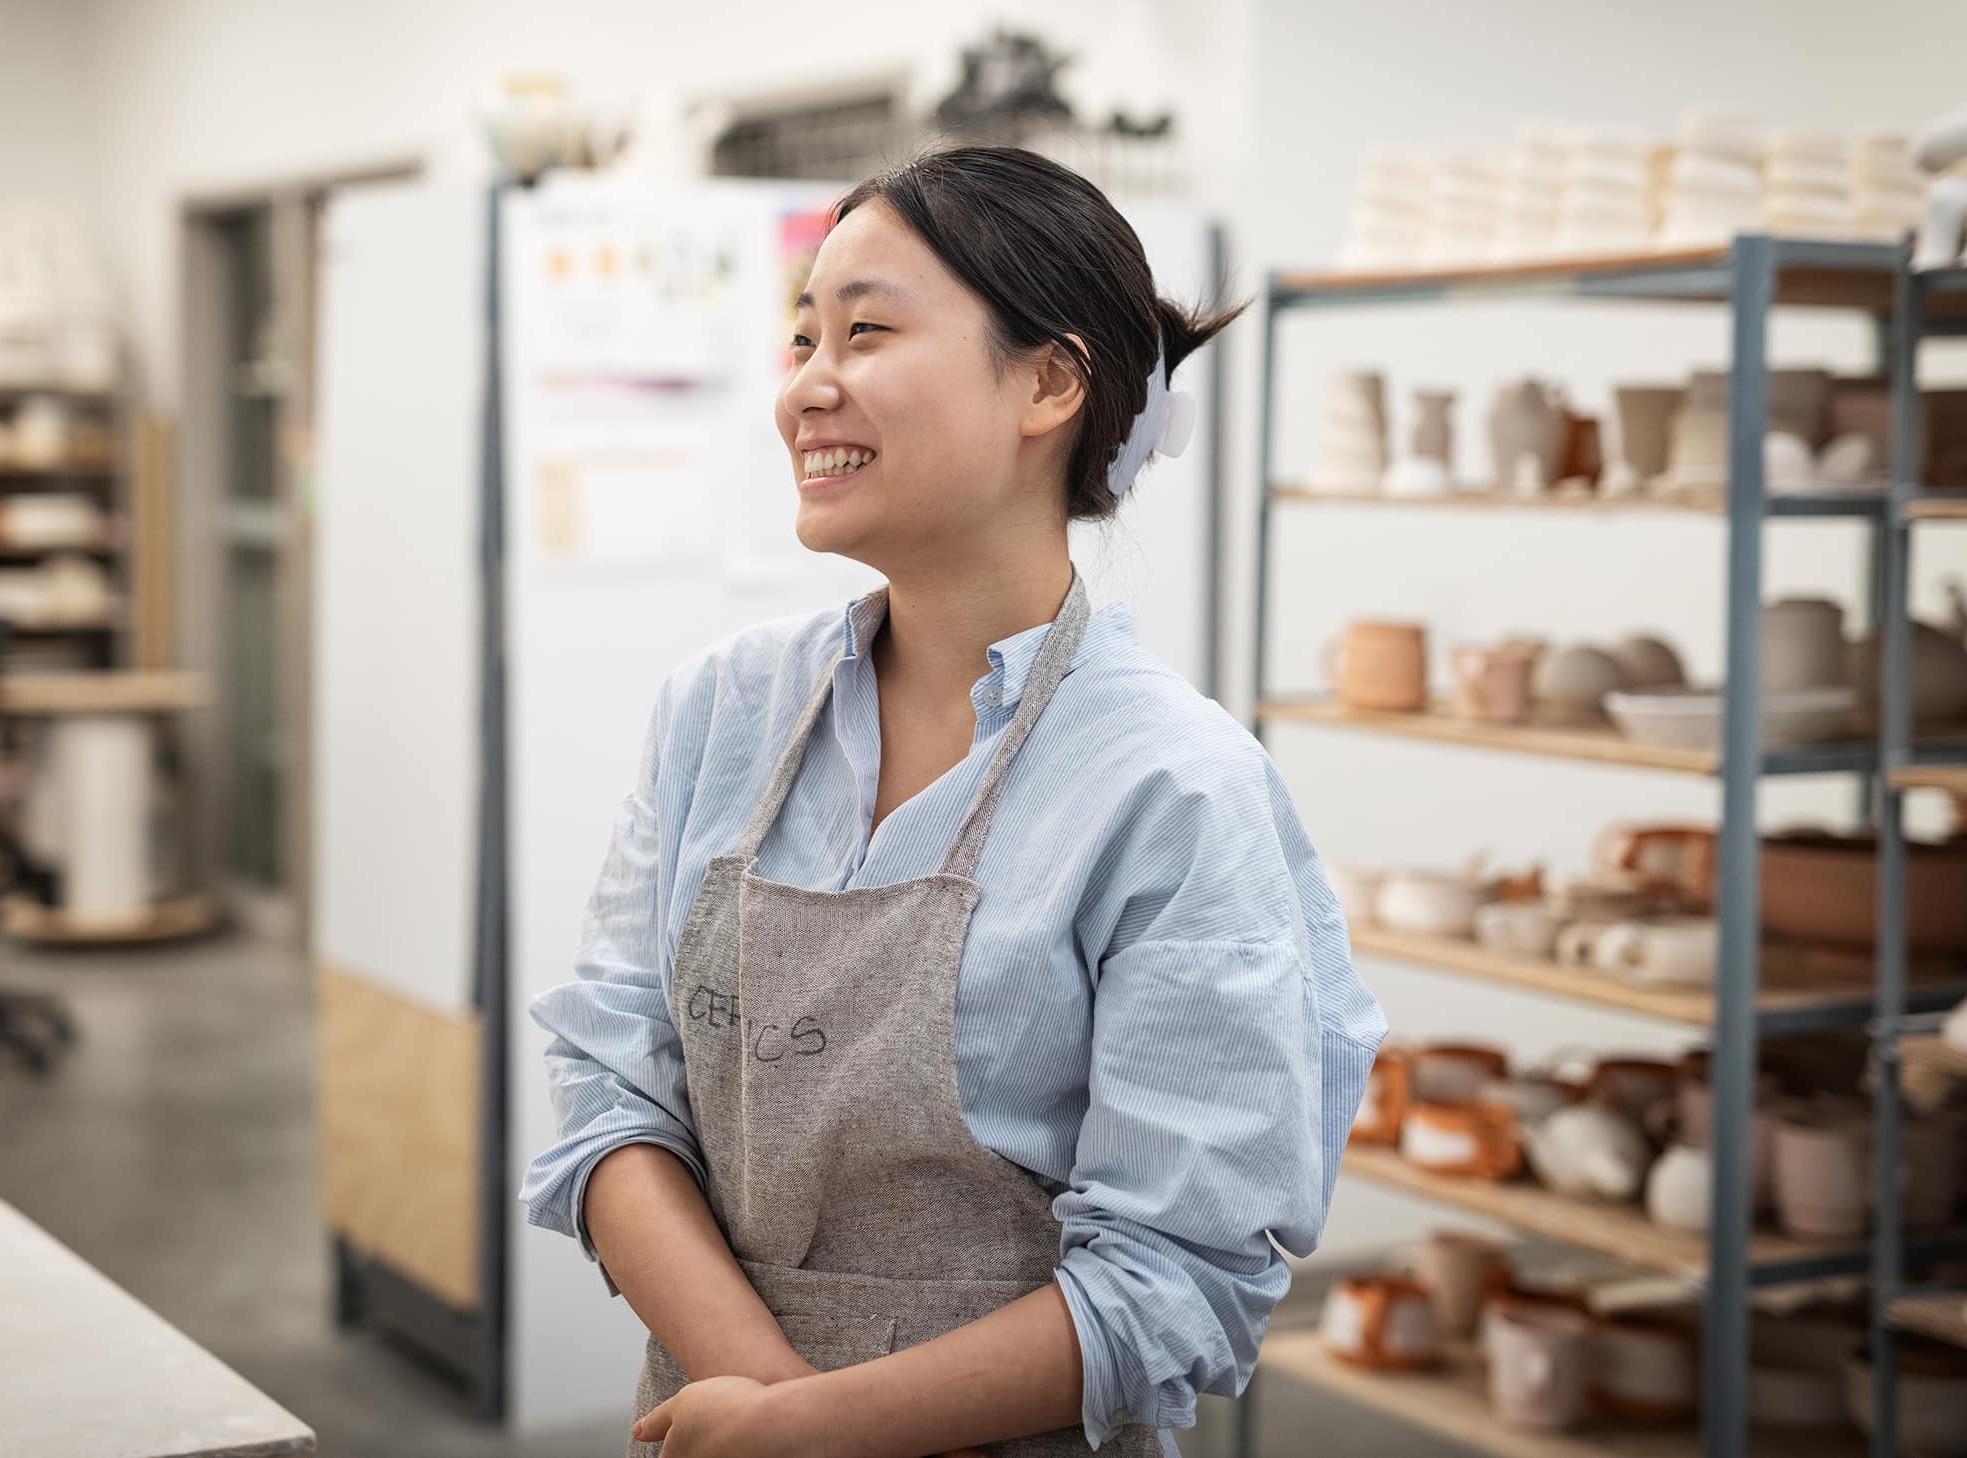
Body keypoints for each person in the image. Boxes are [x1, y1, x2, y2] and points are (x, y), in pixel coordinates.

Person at [521, 145, 1384, 1458]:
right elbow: (610, 1093)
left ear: (1049, 381)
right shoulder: (721, 713)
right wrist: (767, 1405)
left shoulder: (1173, 790)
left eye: (865, 331)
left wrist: (810, 1431)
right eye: (801, 334)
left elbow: (1177, 1280)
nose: (806, 385)